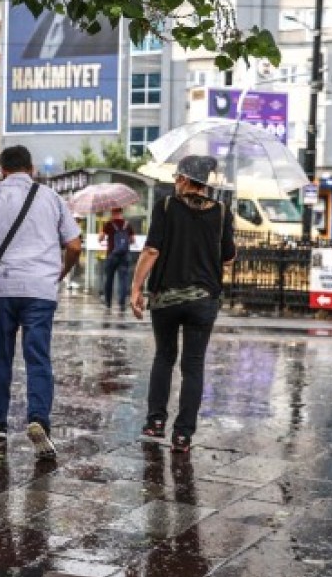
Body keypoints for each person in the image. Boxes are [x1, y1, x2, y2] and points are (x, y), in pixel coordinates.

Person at [0, 145, 82, 460]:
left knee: (1, 354)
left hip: (3, 287)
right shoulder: (52, 198)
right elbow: (74, 245)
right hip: (41, 290)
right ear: (31, 168)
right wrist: (60, 272)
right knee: (38, 357)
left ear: (3, 170)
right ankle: (38, 419)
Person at [129, 154, 236, 454]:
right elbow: (228, 258)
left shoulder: (166, 207)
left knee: (164, 356)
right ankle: (183, 435)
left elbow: (151, 251)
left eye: (178, 177)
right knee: (193, 365)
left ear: (188, 179)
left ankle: (155, 422)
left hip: (165, 298)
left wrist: (136, 288)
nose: (175, 182)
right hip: (203, 299)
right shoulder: (222, 212)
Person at [101, 206, 136, 312]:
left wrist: (104, 234)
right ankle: (122, 303)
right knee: (123, 280)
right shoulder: (127, 224)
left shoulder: (108, 224)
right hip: (124, 255)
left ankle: (108, 302)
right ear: (121, 212)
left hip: (112, 255)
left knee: (109, 279)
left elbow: (100, 238)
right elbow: (133, 240)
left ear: (113, 212)